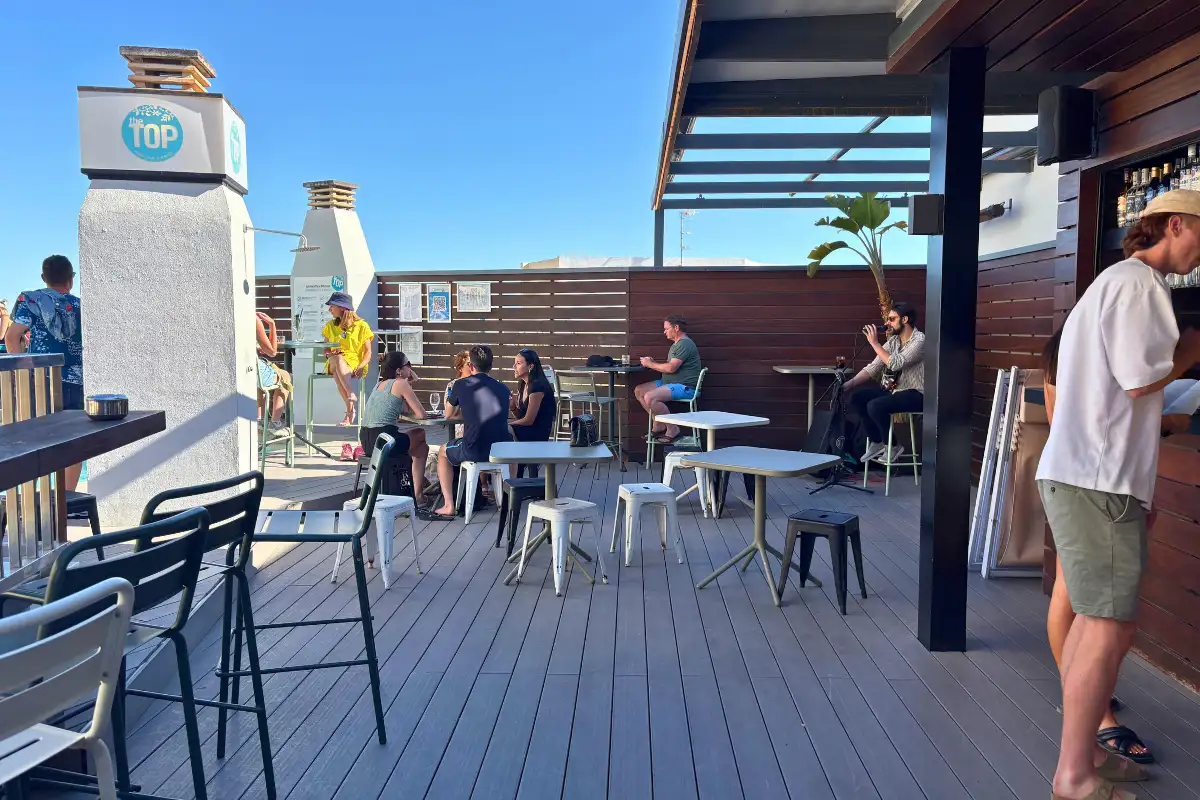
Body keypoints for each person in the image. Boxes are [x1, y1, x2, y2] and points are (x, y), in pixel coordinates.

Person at [1037, 190, 1200, 800]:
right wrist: (1191, 351)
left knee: (1097, 624)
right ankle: (1075, 776)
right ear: (1176, 224)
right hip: (1098, 483)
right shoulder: (1139, 285)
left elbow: (1119, 395)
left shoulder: (1115, 283)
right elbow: (1138, 380)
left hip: (1093, 479)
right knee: (1108, 627)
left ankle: (1085, 758)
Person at [1040, 328, 1191, 770]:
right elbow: (1095, 424)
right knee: (1082, 605)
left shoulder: (1068, 347)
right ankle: (1097, 714)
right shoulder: (1085, 351)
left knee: (1074, 599)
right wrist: (1167, 421)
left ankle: (1084, 697)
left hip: (1080, 482)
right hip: (1088, 486)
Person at [6, 256, 84, 490]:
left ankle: (36, 498)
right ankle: (68, 499)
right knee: (74, 443)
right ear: (70, 279)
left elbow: (12, 336)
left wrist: (20, 370)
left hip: (40, 380)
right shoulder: (80, 306)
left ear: (43, 278)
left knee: (35, 442)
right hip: (75, 381)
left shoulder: (30, 300)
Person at [426, 345, 512, 520]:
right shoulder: (503, 388)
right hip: (502, 450)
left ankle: (449, 505)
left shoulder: (460, 384)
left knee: (443, 451)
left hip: (474, 448)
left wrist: (467, 411)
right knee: (510, 444)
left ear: (471, 366)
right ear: (491, 366)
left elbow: (449, 414)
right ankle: (508, 498)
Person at [843, 302, 925, 464]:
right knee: (857, 397)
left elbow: (896, 363)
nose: (887, 323)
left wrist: (875, 343)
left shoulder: (920, 340)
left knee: (876, 405)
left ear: (905, 319)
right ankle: (877, 441)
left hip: (916, 393)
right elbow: (873, 367)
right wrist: (849, 384)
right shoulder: (894, 341)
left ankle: (893, 445)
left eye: (892, 319)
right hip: (894, 390)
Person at [361, 351, 429, 501]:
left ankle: (416, 489)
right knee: (420, 434)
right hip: (385, 439)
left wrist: (410, 384)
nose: (411, 368)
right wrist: (409, 383)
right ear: (399, 371)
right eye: (408, 364)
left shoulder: (379, 385)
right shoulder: (401, 383)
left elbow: (406, 409)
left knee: (422, 448)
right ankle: (417, 494)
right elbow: (421, 414)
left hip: (366, 440)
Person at [634, 314, 703, 443]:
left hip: (685, 386)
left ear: (676, 327)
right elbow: (669, 366)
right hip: (670, 382)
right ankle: (658, 423)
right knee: (639, 391)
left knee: (650, 397)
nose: (664, 332)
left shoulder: (685, 344)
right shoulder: (677, 344)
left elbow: (671, 368)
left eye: (666, 329)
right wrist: (653, 363)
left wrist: (650, 364)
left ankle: (672, 429)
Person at [321, 291, 374, 427]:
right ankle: (350, 393)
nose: (329, 309)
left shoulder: (362, 326)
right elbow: (325, 350)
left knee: (338, 375)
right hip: (333, 361)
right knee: (338, 359)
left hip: (354, 364)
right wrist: (329, 354)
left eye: (332, 306)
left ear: (342, 308)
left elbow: (368, 352)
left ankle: (350, 413)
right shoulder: (330, 326)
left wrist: (362, 366)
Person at [510, 348, 556, 477]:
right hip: (528, 429)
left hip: (538, 432)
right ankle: (516, 477)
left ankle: (514, 476)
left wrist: (508, 426)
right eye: (515, 363)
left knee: (506, 431)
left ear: (531, 366)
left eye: (519, 363)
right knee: (507, 431)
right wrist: (513, 407)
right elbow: (522, 417)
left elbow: (529, 420)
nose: (514, 367)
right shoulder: (522, 384)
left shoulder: (537, 386)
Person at [255, 312, 292, 431]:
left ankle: (259, 421)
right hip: (253, 367)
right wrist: (272, 324)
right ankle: (275, 423)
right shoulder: (253, 319)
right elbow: (272, 352)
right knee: (285, 376)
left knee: (260, 383)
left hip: (241, 368)